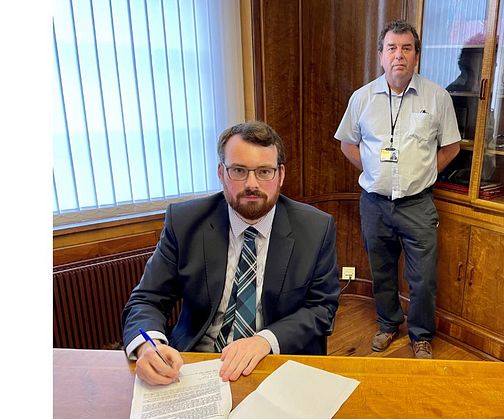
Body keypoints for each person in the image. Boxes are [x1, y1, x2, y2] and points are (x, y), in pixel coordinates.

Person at [122, 121, 340, 385]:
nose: (251, 184)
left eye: (264, 172)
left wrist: (265, 340)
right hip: (194, 364)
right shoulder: (184, 222)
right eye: (238, 170)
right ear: (221, 173)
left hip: (277, 361)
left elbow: (321, 308)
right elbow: (146, 299)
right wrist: (149, 346)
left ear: (280, 175)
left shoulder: (316, 228)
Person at [334, 20, 461, 359]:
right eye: (392, 48)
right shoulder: (362, 98)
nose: (399, 55)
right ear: (381, 55)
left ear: (416, 56)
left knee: (423, 279)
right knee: (383, 272)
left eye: (406, 48)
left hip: (418, 205)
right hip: (374, 204)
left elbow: (451, 147)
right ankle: (388, 325)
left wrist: (422, 174)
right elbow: (348, 144)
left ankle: (420, 336)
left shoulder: (437, 98)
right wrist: (375, 172)